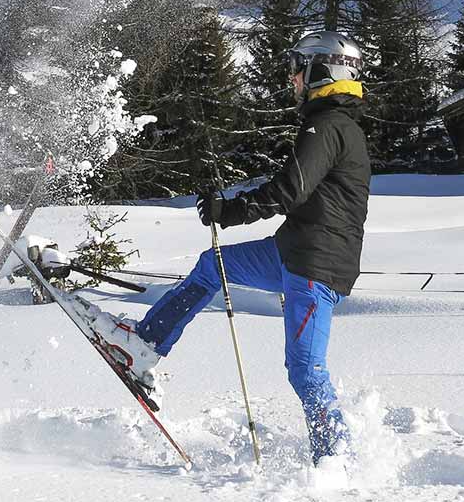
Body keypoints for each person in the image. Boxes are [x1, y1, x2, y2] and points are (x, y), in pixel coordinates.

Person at [101, 31, 370, 465]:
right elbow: (295, 190)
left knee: (305, 370)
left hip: (315, 267)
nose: (293, 81)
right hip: (292, 253)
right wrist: (231, 205)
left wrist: (233, 211)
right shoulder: (330, 125)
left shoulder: (329, 127)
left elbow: (290, 189)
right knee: (213, 266)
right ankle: (146, 344)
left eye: (297, 70)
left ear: (323, 70)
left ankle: (337, 460)